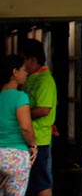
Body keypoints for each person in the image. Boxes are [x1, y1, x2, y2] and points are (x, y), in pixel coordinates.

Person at [20, 39, 56, 196]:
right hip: (29, 138)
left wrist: (21, 114)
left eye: (23, 60)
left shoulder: (45, 80)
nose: (22, 65)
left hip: (40, 139)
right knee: (30, 182)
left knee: (41, 182)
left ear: (32, 60)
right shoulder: (30, 78)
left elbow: (44, 110)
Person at [0, 55, 37, 196]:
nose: (26, 73)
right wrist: (33, 145)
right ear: (14, 72)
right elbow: (26, 128)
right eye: (23, 70)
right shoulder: (20, 97)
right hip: (15, 156)